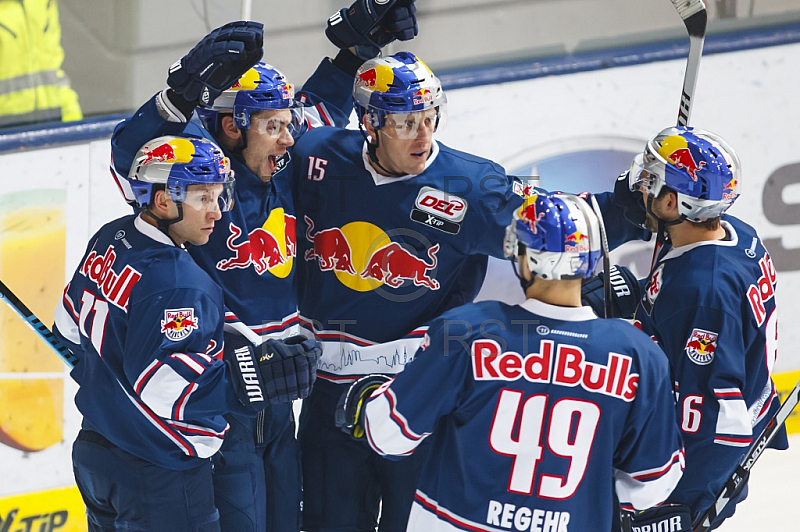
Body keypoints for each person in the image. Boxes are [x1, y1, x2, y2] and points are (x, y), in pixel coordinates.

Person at [109, 4, 418, 530]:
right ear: (232, 127)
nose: (290, 137)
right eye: (274, 125)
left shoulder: (283, 159)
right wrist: (180, 93)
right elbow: (128, 153)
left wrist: (356, 50)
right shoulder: (198, 177)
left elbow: (321, 106)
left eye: (287, 123)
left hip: (279, 396)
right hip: (219, 390)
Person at [336, 192, 685, 532]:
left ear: (520, 256)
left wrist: (375, 396)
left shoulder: (465, 331)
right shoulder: (640, 356)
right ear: (593, 260)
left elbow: (388, 436)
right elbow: (652, 485)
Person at [51, 134, 320, 531]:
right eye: (202, 198)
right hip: (158, 470)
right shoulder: (181, 282)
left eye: (218, 195)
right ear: (163, 201)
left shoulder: (111, 237)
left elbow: (67, 329)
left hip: (96, 454)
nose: (216, 212)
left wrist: (106, 383)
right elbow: (167, 389)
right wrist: (251, 383)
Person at [582, 126, 788, 530]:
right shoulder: (732, 234)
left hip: (692, 470)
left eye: (651, 181)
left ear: (674, 203)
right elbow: (696, 308)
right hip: (722, 405)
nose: (639, 186)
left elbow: (718, 423)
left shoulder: (702, 291)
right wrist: (639, 294)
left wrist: (677, 505)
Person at [0, 0, 82, 127]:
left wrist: (73, 117)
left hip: (51, 119)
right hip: (6, 128)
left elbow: (53, 65)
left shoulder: (43, 3)